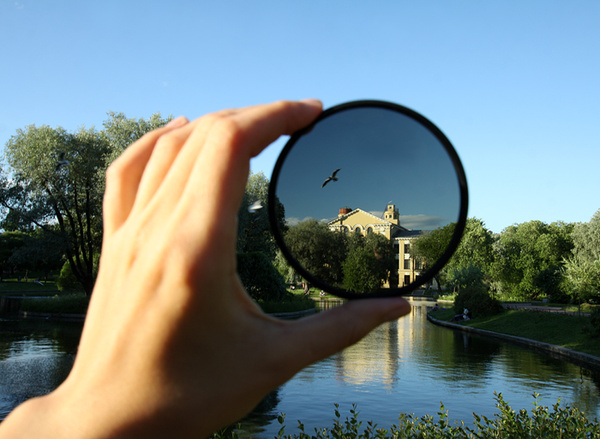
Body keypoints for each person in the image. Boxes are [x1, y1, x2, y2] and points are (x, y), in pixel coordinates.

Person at [0, 100, 411, 438]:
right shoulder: (343, 223)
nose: (389, 219)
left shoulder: (383, 227)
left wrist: (74, 416)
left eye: (390, 217)